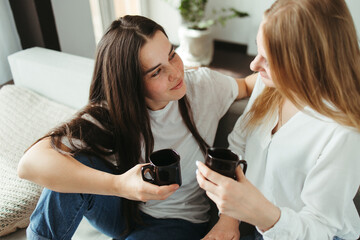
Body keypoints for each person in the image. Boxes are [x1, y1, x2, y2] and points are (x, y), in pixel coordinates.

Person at [17, 15, 249, 240]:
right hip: (122, 208)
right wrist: (120, 186)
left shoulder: (204, 88)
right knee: (70, 166)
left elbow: (251, 84)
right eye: (157, 71)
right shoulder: (109, 113)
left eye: (172, 55)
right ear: (131, 83)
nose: (176, 73)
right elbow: (29, 164)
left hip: (177, 220)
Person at [196, 0, 360, 239]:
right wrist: (228, 220)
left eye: (270, 60)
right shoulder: (269, 83)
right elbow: (239, 145)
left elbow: (321, 228)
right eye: (258, 50)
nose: (253, 65)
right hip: (262, 225)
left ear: (309, 64)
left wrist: (262, 215)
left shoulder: (344, 132)